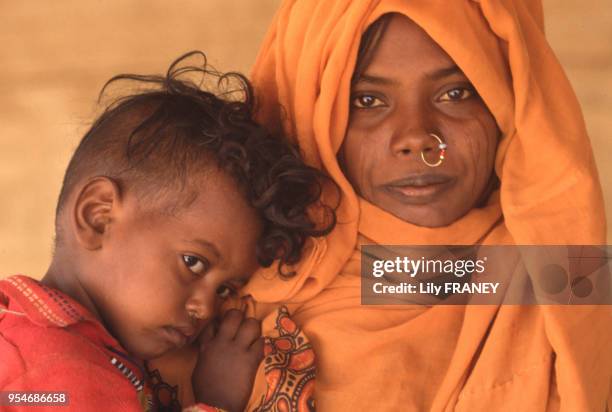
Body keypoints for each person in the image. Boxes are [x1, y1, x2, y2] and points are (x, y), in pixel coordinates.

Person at [234, 0, 609, 410]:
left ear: (512, 101)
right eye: (368, 100)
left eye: (455, 93)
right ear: (309, 115)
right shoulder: (211, 304)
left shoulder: (573, 288)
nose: (417, 137)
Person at [0, 52, 333, 412]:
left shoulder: (31, 342)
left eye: (224, 289)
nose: (205, 308)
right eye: (193, 262)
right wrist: (216, 400)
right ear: (98, 216)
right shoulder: (62, 375)